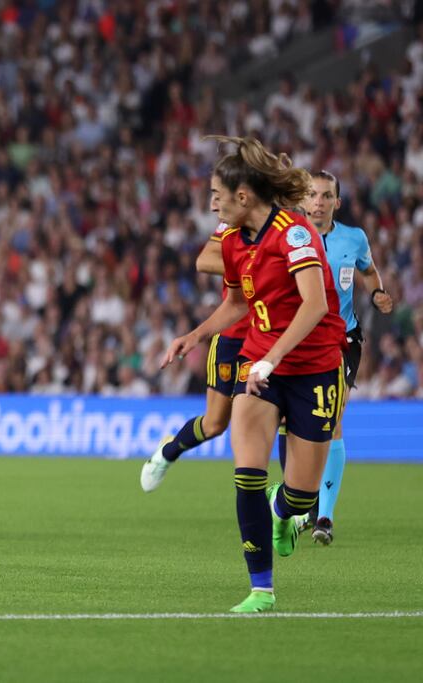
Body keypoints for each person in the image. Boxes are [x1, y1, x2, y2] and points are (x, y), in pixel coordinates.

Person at [161, 136, 346, 613]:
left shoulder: (294, 233)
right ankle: (260, 589)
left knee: (301, 495)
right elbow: (238, 304)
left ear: (243, 197)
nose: (212, 204)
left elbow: (315, 305)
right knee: (247, 473)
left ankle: (286, 512)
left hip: (315, 367)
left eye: (216, 195)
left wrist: (274, 358)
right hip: (261, 364)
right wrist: (195, 336)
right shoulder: (235, 243)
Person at [282, 170, 393, 544]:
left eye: (326, 196)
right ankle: (302, 505)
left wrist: (378, 293)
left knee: (334, 419)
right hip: (300, 339)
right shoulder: (292, 236)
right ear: (303, 200)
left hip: (342, 339)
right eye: (313, 195)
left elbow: (369, 271)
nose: (319, 202)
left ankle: (324, 518)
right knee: (295, 425)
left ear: (337, 202)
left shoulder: (354, 238)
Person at [140, 222, 248, 491]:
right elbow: (205, 259)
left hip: (270, 339)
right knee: (214, 424)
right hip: (232, 337)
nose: (216, 204)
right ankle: (169, 450)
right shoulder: (235, 221)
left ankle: (298, 506)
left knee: (269, 419)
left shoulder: (290, 227)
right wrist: (252, 264)